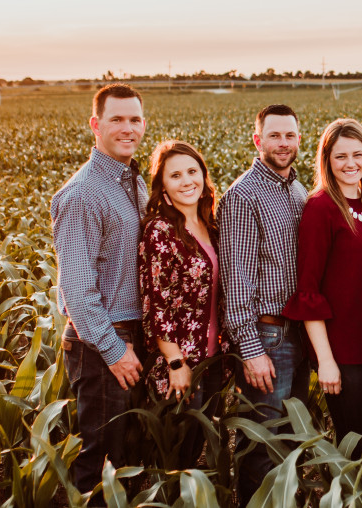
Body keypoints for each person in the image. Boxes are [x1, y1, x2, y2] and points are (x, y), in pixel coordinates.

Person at [50, 83, 153, 502]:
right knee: (98, 464)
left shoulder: (131, 181)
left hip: (129, 336)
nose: (127, 129)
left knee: (127, 455)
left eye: (134, 119)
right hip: (102, 343)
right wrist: (114, 350)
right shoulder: (83, 193)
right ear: (95, 125)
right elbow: (76, 287)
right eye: (116, 119)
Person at [219, 104, 309, 499]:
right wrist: (251, 350)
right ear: (258, 140)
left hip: (299, 333)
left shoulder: (298, 190)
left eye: (290, 135)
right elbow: (235, 282)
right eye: (274, 135)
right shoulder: (243, 195)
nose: (283, 143)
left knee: (290, 440)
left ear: (299, 139)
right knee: (262, 444)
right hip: (267, 335)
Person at [283, 119, 362, 443]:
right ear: (327, 160)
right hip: (341, 351)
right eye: (340, 156)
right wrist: (326, 361)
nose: (350, 164)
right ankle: (346, 496)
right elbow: (309, 290)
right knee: (353, 442)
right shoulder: (321, 208)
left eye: (357, 155)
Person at [138, 139, 226, 469]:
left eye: (192, 171)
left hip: (213, 359)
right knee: (177, 458)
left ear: (204, 177)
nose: (187, 181)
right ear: (162, 186)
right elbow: (157, 303)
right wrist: (175, 363)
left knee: (197, 446)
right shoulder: (160, 231)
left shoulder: (211, 225)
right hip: (183, 364)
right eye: (175, 176)